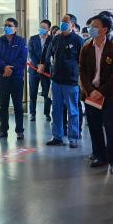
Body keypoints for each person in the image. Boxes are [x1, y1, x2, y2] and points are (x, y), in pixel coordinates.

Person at [79, 14, 113, 174]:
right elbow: (82, 71)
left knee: (112, 128)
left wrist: (101, 92)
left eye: (95, 26)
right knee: (94, 127)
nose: (91, 29)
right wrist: (91, 91)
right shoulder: (86, 46)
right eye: (90, 26)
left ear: (105, 29)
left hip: (108, 94)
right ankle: (100, 155)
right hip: (90, 93)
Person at [42, 13, 85, 148]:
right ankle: (57, 137)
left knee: (73, 111)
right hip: (56, 81)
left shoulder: (78, 40)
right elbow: (50, 55)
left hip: (71, 81)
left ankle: (73, 138)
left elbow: (82, 62)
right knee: (56, 110)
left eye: (66, 22)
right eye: (62, 21)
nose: (63, 24)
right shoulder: (56, 39)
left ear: (72, 24)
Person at [0, 17, 28, 140]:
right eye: (5, 25)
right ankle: (3, 130)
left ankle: (19, 130)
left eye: (9, 25)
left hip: (16, 78)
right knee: (3, 106)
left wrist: (10, 68)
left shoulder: (21, 41)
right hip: (2, 78)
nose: (6, 27)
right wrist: (4, 67)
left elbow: (22, 59)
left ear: (15, 28)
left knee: (18, 106)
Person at [28, 20, 53, 122]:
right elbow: (31, 53)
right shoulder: (33, 39)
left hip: (46, 70)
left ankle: (47, 113)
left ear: (48, 29)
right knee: (33, 92)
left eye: (44, 27)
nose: (41, 29)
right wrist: (37, 65)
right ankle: (32, 113)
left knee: (47, 93)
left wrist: (44, 65)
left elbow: (51, 54)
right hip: (34, 70)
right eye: (40, 27)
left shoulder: (52, 39)